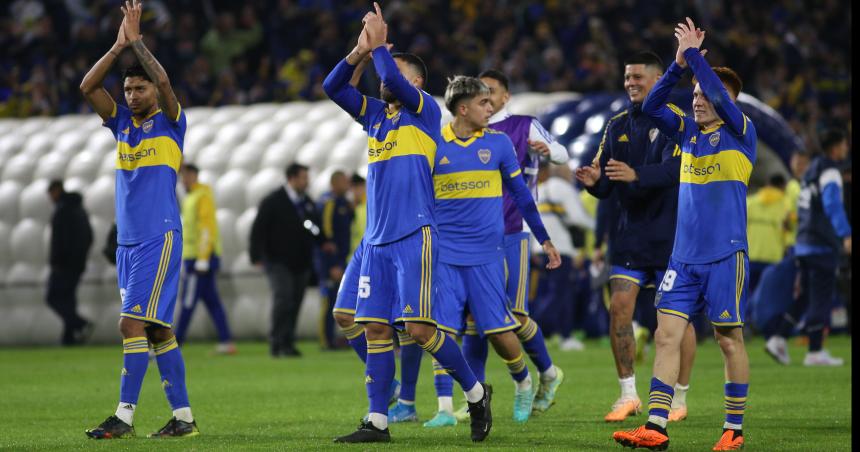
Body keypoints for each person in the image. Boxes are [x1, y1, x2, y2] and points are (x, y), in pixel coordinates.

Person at [322, 3, 491, 443]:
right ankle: (378, 421)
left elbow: (393, 79)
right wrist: (360, 52)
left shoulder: (425, 110)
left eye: (395, 73)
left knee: (418, 330)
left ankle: (475, 394)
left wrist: (380, 46)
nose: (385, 79)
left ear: (415, 83)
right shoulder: (376, 116)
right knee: (373, 327)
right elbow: (332, 86)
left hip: (414, 234)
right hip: (376, 240)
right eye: (384, 71)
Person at [613, 18, 755, 451]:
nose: (697, 100)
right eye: (693, 95)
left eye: (704, 95)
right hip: (683, 258)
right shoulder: (688, 132)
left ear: (729, 102)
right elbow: (653, 106)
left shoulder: (741, 133)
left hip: (725, 255)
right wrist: (677, 66)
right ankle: (656, 426)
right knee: (665, 334)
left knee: (727, 338)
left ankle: (733, 430)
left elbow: (717, 93)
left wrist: (694, 54)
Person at [81, 0, 198, 439]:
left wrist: (138, 44)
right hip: (127, 243)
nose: (132, 96)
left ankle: (124, 416)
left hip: (158, 236)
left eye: (138, 89)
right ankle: (183, 418)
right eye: (128, 90)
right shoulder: (121, 125)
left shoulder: (171, 123)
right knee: (157, 331)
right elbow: (88, 86)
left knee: (130, 323)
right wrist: (117, 48)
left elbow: (164, 81)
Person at [420, 75, 561, 427]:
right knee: (442, 330)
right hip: (446, 254)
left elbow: (522, 194)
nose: (491, 108)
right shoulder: (434, 144)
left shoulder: (498, 143)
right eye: (483, 103)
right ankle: (447, 406)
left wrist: (544, 238)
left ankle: (523, 382)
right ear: (463, 109)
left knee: (499, 330)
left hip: (487, 254)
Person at [575, 51, 698, 423]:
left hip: (670, 237)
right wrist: (595, 182)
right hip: (629, 236)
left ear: (658, 80)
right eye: (627, 77)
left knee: (675, 321)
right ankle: (628, 394)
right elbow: (607, 181)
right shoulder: (616, 125)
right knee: (619, 308)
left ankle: (679, 397)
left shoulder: (677, 121)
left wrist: (637, 175)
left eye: (637, 77)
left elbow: (678, 169)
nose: (630, 83)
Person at [765, 129, 852, 366]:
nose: (846, 148)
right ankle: (815, 351)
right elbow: (832, 204)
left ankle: (778, 338)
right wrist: (845, 233)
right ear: (836, 147)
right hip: (821, 243)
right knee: (821, 297)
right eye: (844, 144)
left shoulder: (812, 169)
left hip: (803, 243)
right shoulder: (830, 171)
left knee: (804, 295)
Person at [249, 163, 322, 358]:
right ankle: (276, 342)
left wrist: (323, 241)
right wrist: (256, 256)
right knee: (284, 299)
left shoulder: (306, 202)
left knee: (295, 302)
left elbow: (315, 227)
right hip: (278, 261)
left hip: (301, 262)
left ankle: (288, 343)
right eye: (304, 178)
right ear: (292, 178)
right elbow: (258, 229)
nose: (307, 182)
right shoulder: (273, 201)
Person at [529, 162, 595, 351]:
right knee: (561, 293)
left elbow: (530, 221)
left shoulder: (539, 190)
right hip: (561, 250)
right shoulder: (565, 189)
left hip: (541, 249)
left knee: (550, 292)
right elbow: (577, 218)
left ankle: (554, 333)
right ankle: (544, 330)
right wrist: (596, 226)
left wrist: (533, 248)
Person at [174, 164, 236, 354]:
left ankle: (174, 344)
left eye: (186, 176)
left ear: (195, 176)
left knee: (188, 301)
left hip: (199, 259)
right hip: (196, 258)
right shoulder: (191, 197)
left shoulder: (201, 196)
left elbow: (206, 228)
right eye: (182, 176)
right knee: (212, 301)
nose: (184, 180)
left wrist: (202, 258)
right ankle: (226, 341)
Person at [46, 180, 94, 346]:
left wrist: (58, 260)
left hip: (63, 265)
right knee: (68, 300)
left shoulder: (62, 211)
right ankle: (69, 338)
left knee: (53, 298)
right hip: (77, 265)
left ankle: (80, 324)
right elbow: (89, 236)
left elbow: (60, 240)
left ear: (56, 191)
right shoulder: (79, 210)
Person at [318, 170, 354, 350]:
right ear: (335, 183)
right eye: (344, 182)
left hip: (343, 260)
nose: (348, 185)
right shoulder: (329, 203)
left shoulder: (345, 203)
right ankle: (326, 340)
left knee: (341, 301)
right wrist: (332, 264)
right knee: (329, 300)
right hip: (331, 263)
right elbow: (327, 235)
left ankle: (338, 338)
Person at [746, 174, 789, 296]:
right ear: (783, 187)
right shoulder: (786, 205)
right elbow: (790, 232)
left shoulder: (749, 202)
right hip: (773, 259)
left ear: (767, 185)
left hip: (750, 257)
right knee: (768, 296)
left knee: (748, 294)